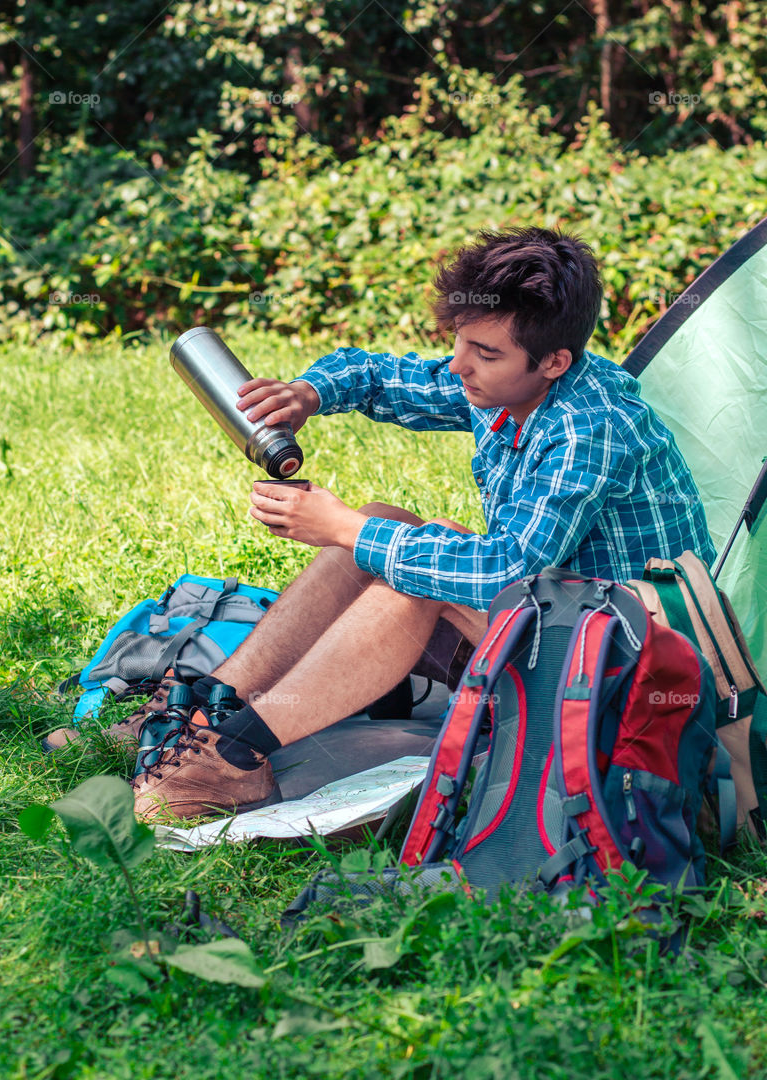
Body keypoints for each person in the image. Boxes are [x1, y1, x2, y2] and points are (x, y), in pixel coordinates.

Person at [47, 227, 716, 822]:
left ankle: (234, 755)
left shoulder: (590, 426)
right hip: (562, 624)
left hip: (627, 670)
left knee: (406, 571)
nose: (460, 366)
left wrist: (342, 529)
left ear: (554, 362)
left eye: (484, 353)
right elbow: (377, 376)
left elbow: (508, 571)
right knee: (384, 524)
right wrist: (308, 393)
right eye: (459, 342)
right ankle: (197, 714)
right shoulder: (507, 381)